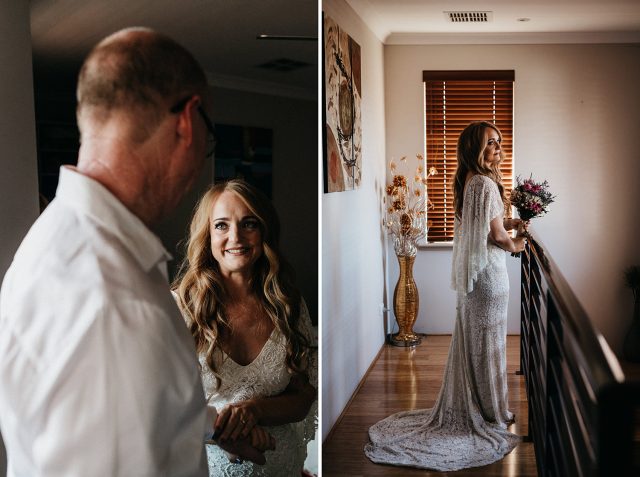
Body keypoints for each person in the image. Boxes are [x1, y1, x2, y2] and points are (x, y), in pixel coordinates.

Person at [0, 27, 265, 477]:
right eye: (210, 138)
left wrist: (207, 425)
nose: (203, 157)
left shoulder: (53, 238)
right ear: (188, 120)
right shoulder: (110, 302)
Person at [364, 121, 526, 471]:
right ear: (474, 149)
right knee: (491, 345)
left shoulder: (467, 180)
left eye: (499, 143)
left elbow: (483, 226)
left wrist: (509, 226)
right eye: (489, 144)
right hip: (490, 279)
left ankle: (486, 407)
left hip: (475, 283)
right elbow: (497, 237)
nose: (497, 149)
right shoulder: (486, 183)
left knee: (478, 345)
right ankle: (491, 412)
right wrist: (519, 243)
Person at [172, 179, 318, 476]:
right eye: (222, 226)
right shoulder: (179, 308)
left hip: (283, 467)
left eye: (248, 223)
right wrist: (229, 433)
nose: (235, 237)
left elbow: (303, 397)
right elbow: (157, 404)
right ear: (207, 235)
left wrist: (255, 409)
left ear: (264, 230)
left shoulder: (288, 303)